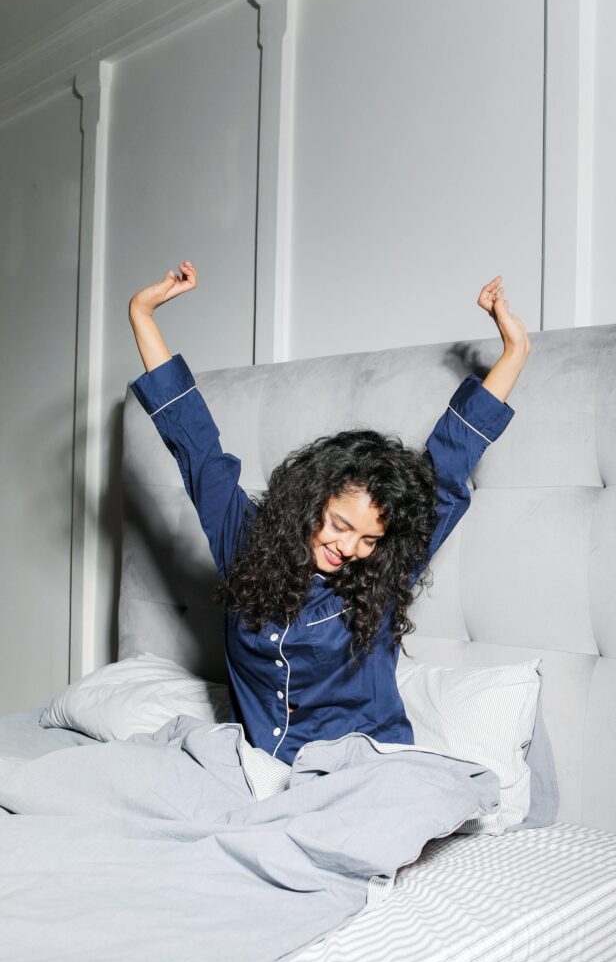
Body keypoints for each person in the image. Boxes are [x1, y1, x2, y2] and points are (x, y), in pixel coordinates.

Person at [128, 263, 530, 764]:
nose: (350, 548)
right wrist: (142, 313)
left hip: (366, 769)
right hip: (263, 772)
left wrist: (515, 353)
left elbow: (447, 469)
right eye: (341, 525)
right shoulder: (243, 544)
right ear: (309, 501)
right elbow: (197, 450)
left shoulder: (384, 573)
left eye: (369, 539)